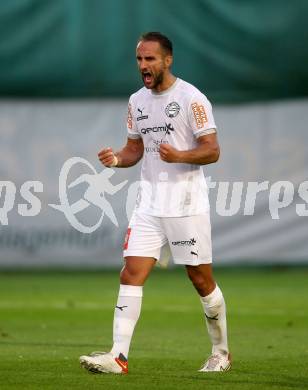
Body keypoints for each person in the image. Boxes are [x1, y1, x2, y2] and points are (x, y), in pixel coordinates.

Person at [80, 31, 231, 374]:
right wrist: (117, 159)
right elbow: (135, 149)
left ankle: (221, 352)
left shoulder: (192, 98)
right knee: (131, 273)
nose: (143, 65)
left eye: (150, 59)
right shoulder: (137, 101)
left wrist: (180, 154)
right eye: (139, 59)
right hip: (148, 204)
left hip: (186, 205)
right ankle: (118, 357)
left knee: (201, 281)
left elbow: (212, 149)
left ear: (167, 60)